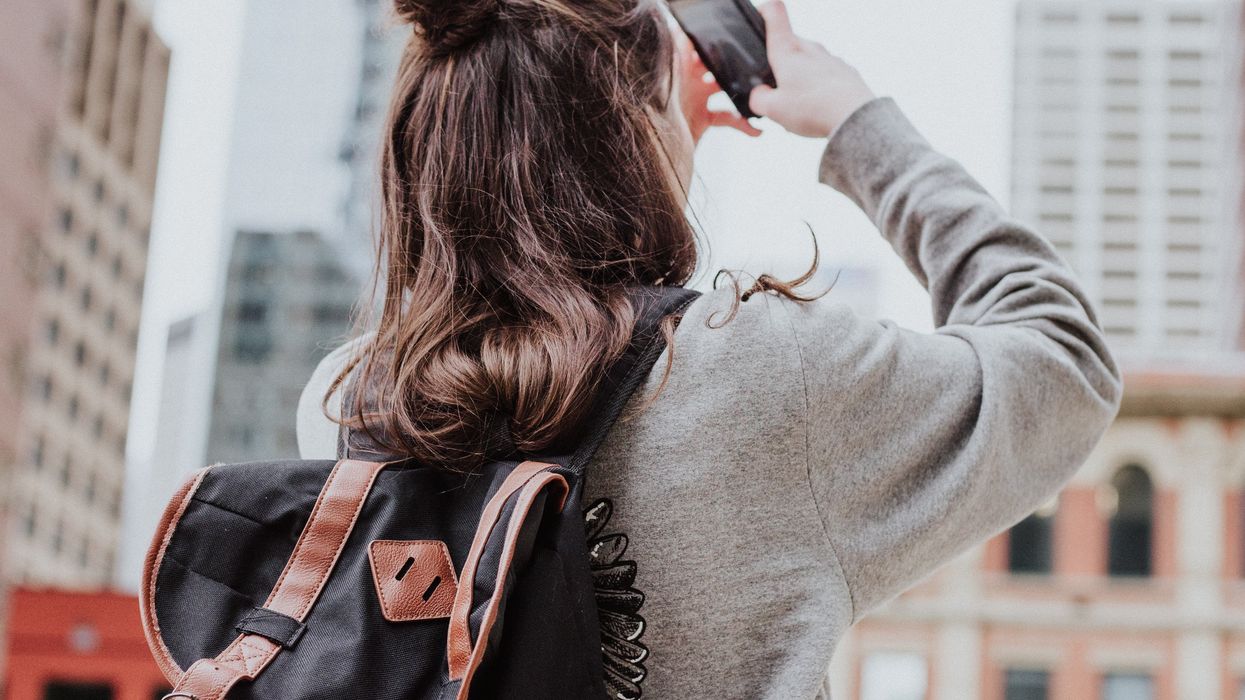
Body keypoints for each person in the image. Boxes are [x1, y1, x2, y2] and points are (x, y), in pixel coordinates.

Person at [297, 0, 1123, 697]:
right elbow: (1062, 358)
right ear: (628, 132)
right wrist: (852, 120)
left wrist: (655, 123)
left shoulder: (349, 403)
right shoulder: (760, 372)